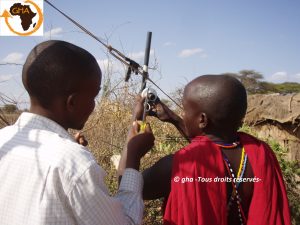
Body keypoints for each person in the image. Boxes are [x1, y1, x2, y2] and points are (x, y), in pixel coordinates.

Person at [0, 40, 154, 225]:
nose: (94, 105)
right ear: (71, 102)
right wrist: (133, 157)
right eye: (93, 96)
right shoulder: (74, 164)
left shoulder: (5, 140)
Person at [126, 75, 291, 225]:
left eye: (184, 110)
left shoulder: (177, 167)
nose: (182, 114)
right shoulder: (262, 153)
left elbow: (128, 188)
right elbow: (210, 147)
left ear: (202, 119)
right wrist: (173, 118)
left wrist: (135, 130)